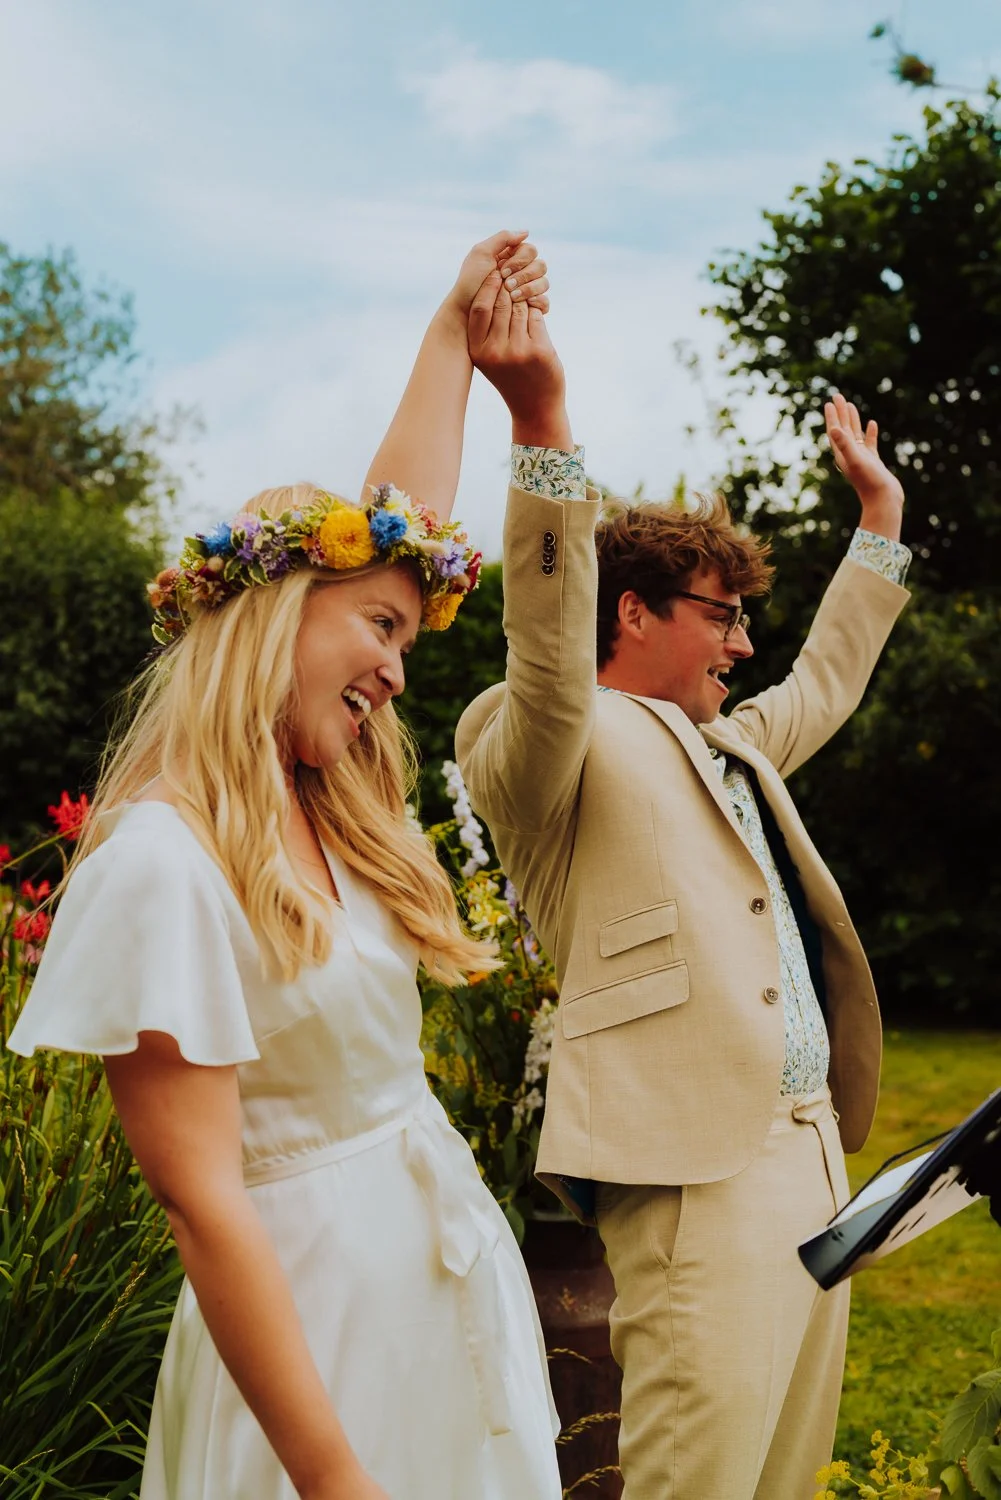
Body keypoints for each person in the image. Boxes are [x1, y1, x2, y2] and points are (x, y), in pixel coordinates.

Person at [8, 232, 565, 1500]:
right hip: (312, 1363)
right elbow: (206, 1208)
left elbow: (396, 535)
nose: (397, 668)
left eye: (408, 641)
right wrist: (335, 1481)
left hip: (437, 1299)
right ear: (274, 616)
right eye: (379, 628)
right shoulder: (161, 864)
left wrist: (451, 345)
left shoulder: (333, 801)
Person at [456, 268, 912, 1498]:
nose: (741, 643)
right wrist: (542, 431)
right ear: (635, 612)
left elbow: (819, 682)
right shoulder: (538, 734)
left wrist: (880, 521)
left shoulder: (732, 743)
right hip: (688, 1171)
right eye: (720, 617)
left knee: (778, 1477)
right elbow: (547, 649)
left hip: (810, 1160)